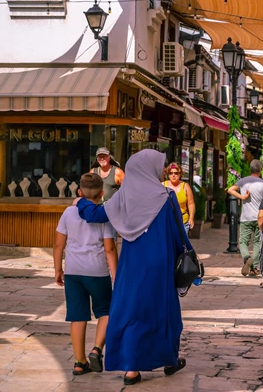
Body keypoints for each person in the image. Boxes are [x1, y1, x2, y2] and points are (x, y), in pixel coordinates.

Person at [76, 149, 192, 386]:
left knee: (132, 311)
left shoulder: (124, 196)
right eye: (159, 166)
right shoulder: (167, 197)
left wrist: (81, 203)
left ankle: (131, 369)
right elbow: (178, 234)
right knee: (162, 310)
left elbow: (97, 215)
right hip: (160, 264)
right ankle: (169, 360)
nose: (162, 171)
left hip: (131, 267)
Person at [53, 173, 118, 376]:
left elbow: (58, 244)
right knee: (106, 311)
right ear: (102, 193)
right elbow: (109, 249)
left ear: (79, 192)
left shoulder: (68, 213)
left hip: (73, 271)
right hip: (97, 271)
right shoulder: (103, 216)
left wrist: (57, 269)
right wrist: (116, 276)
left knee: (77, 316)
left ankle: (80, 362)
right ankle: (97, 349)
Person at [227, 160, 263, 277]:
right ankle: (254, 267)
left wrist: (242, 197)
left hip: (245, 217)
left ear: (250, 169)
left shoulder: (243, 181)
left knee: (242, 242)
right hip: (259, 217)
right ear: (260, 170)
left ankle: (246, 258)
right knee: (257, 242)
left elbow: (230, 189)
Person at [162, 162, 195, 232]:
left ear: (180, 174)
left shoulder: (185, 186)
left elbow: (191, 203)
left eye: (176, 173)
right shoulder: (162, 186)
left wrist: (191, 218)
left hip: (182, 222)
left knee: (182, 243)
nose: (173, 175)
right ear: (168, 174)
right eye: (171, 173)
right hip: (167, 222)